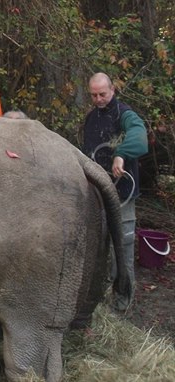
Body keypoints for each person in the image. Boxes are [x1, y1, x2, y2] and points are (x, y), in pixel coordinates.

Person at [81, 72, 148, 311]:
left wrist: (121, 153)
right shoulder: (91, 119)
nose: (98, 99)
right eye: (94, 95)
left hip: (122, 196)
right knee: (99, 246)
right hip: (97, 195)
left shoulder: (125, 115)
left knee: (123, 246)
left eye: (103, 94)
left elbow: (140, 138)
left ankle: (122, 301)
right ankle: (98, 300)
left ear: (113, 90)